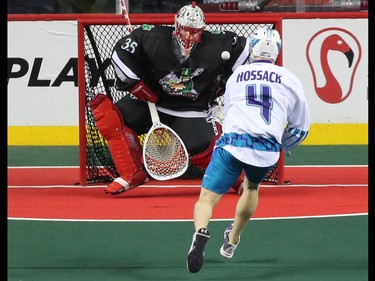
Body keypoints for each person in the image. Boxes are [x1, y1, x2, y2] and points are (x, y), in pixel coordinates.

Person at [89, 2, 250, 195]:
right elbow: (120, 54)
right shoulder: (150, 36)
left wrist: (226, 81)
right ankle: (131, 172)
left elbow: (247, 50)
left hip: (192, 109)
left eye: (195, 31)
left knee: (207, 150)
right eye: (185, 30)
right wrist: (136, 84)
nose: (189, 36)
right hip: (151, 102)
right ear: (176, 25)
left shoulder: (219, 42)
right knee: (109, 115)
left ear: (203, 29)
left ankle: (237, 179)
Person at [186, 27, 310, 273]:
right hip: (266, 150)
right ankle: (232, 241)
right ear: (277, 51)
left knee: (207, 199)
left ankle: (201, 232)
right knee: (252, 187)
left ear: (252, 47)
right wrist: (282, 144)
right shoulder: (289, 78)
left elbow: (229, 111)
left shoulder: (237, 75)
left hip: (233, 144)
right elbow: (300, 128)